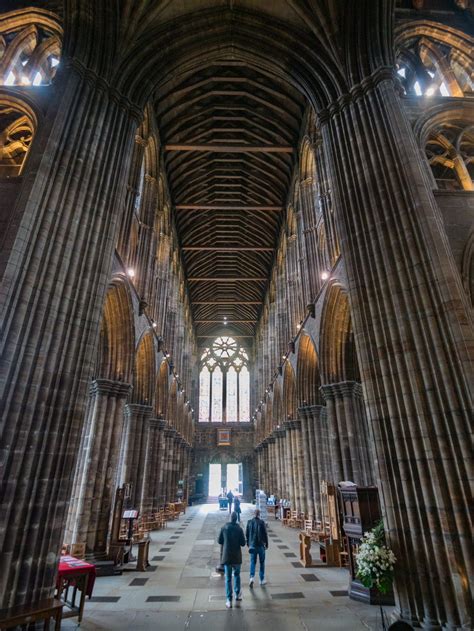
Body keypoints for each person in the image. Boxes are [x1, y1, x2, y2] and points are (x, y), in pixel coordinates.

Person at [217, 511, 246, 608]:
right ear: (236, 519)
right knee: (237, 575)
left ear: (230, 519)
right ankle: (237, 594)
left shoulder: (224, 528)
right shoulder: (239, 529)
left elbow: (219, 541)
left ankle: (229, 600)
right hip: (236, 556)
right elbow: (243, 543)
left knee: (228, 578)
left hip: (227, 557)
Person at [246, 508, 269, 586]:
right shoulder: (262, 522)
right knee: (262, 562)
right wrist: (267, 544)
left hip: (252, 545)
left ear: (253, 514)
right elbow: (265, 534)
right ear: (259, 514)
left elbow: (247, 534)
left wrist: (248, 544)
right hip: (260, 545)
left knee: (253, 562)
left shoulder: (249, 522)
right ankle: (261, 579)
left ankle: (251, 578)